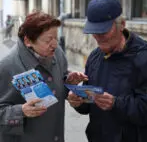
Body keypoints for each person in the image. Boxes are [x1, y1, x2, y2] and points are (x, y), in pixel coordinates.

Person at [67, 0, 147, 142]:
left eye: (103, 31)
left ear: (122, 24)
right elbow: (89, 104)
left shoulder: (145, 57)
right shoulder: (94, 57)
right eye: (94, 31)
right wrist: (78, 102)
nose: (98, 37)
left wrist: (116, 104)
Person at [0, 11, 87, 142]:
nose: (55, 44)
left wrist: (69, 83)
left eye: (56, 38)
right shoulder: (7, 67)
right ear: (28, 41)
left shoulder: (57, 54)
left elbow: (58, 83)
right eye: (48, 40)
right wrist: (21, 111)